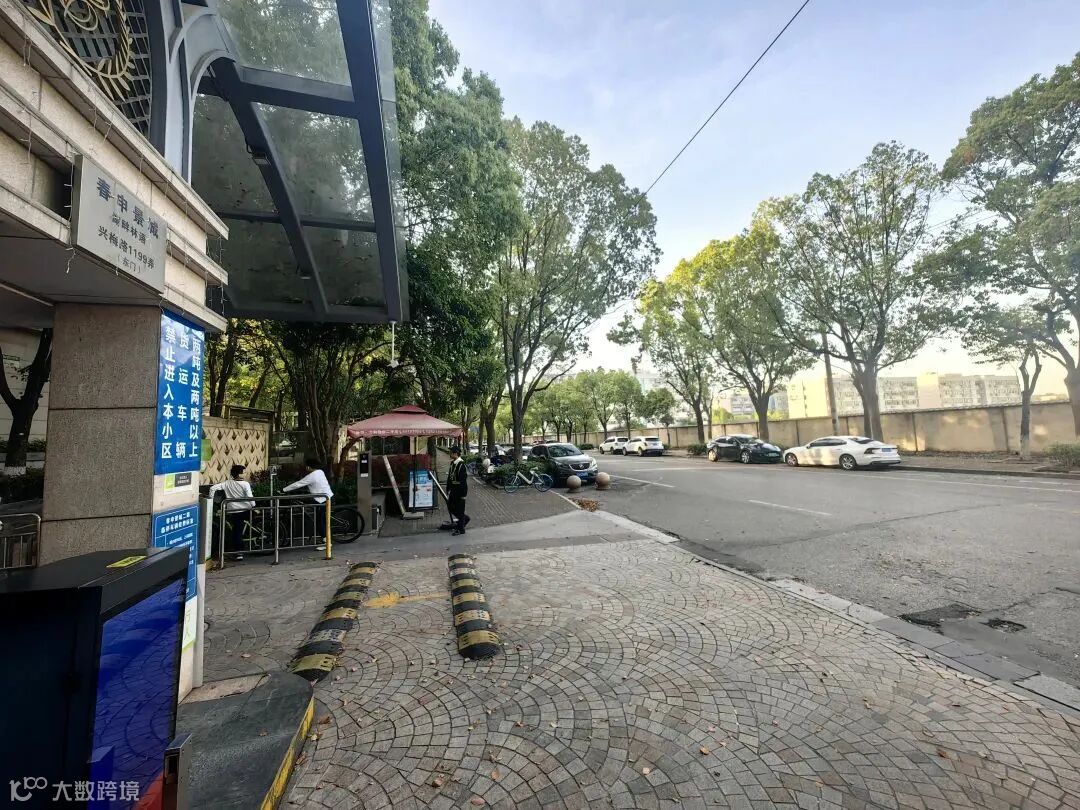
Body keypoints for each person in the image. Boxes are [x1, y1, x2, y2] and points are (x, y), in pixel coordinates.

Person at [283, 458, 334, 547]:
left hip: (322, 500)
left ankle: (326, 542)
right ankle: (325, 539)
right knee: (322, 519)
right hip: (327, 497)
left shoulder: (312, 476)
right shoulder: (320, 472)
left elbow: (298, 484)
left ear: (308, 467)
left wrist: (284, 489)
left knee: (319, 521)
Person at [208, 464, 256, 560]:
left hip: (233, 510)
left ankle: (238, 551)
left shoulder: (227, 483)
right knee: (239, 530)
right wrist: (254, 506)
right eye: (244, 472)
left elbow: (212, 488)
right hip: (246, 509)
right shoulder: (245, 484)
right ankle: (240, 552)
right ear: (239, 474)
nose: (245, 474)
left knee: (236, 530)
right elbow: (250, 497)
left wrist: (210, 500)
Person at [447, 445, 470, 536]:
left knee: (460, 510)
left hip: (459, 491)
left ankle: (461, 529)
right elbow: (450, 477)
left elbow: (463, 481)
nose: (450, 454)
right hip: (453, 490)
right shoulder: (453, 463)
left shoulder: (461, 465)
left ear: (456, 454)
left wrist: (463, 494)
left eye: (451, 452)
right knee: (450, 506)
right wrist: (448, 488)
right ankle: (465, 519)